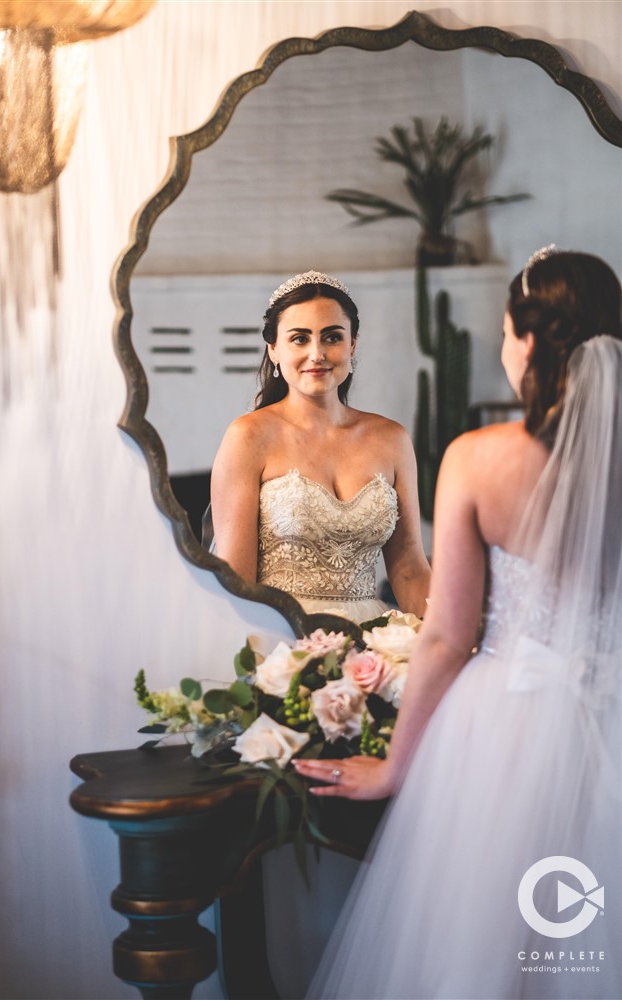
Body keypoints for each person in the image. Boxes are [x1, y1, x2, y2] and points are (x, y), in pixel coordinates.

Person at [294, 249, 622, 999]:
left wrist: (396, 767)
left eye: (507, 332)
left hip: (504, 733)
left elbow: (446, 636)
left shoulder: (478, 459)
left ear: (529, 342)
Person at [210, 270, 431, 622]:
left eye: (332, 337)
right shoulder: (248, 437)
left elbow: (409, 569)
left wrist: (450, 647)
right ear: (274, 348)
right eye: (299, 339)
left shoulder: (392, 439)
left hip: (372, 644)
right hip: (282, 642)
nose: (317, 354)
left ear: (352, 345)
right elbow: (238, 583)